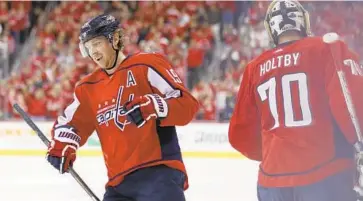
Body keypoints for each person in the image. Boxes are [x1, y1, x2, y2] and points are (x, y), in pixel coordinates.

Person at [45, 14, 199, 201]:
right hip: (118, 186)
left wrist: (154, 105)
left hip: (159, 174)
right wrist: (62, 144)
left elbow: (187, 106)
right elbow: (70, 124)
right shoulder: (88, 88)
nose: (93, 52)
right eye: (89, 46)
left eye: (97, 43)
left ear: (115, 38)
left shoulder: (146, 64)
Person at [228, 1, 363, 201]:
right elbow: (352, 104)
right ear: (302, 22)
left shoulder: (255, 67)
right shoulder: (326, 48)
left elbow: (240, 134)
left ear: (272, 29)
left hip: (271, 181)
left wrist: (275, 153)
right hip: (325, 173)